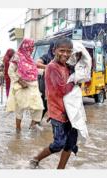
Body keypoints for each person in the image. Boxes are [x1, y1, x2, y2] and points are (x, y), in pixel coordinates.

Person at [29, 38, 78, 169]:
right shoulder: (52, 67)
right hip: (58, 112)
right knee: (58, 144)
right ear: (54, 50)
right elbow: (63, 89)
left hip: (72, 112)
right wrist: (76, 79)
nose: (65, 54)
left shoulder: (67, 67)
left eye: (69, 51)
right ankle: (35, 159)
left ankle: (60, 170)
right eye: (62, 51)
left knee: (71, 143)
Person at [6, 38, 44, 132]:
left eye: (32, 47)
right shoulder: (17, 56)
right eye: (31, 47)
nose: (32, 49)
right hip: (22, 85)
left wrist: (46, 71)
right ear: (25, 46)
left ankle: (33, 124)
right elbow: (10, 71)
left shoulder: (30, 58)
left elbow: (33, 71)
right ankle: (18, 129)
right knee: (20, 107)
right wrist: (19, 81)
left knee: (38, 106)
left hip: (33, 85)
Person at [36, 40, 55, 120]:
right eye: (54, 48)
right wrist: (47, 67)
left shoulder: (61, 58)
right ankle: (36, 121)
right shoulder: (47, 56)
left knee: (54, 103)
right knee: (44, 103)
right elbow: (37, 63)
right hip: (46, 83)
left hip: (57, 84)